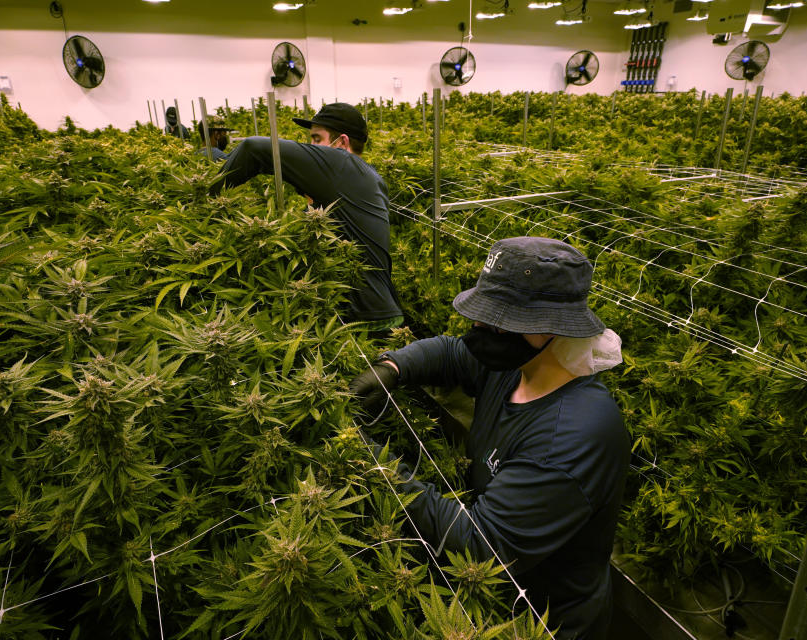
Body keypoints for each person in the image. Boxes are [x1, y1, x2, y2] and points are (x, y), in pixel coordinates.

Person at [349, 236, 629, 640]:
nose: (479, 327)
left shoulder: (573, 435)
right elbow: (452, 352)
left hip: (539, 622)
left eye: (499, 319)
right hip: (487, 600)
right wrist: (393, 367)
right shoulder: (519, 366)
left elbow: (479, 542)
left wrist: (370, 458)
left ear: (550, 327)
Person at [208, 102, 403, 329]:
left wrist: (208, 195)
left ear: (342, 142)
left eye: (317, 139)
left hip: (366, 321)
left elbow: (253, 148)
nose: (311, 146)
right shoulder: (369, 175)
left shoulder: (341, 163)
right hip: (375, 311)